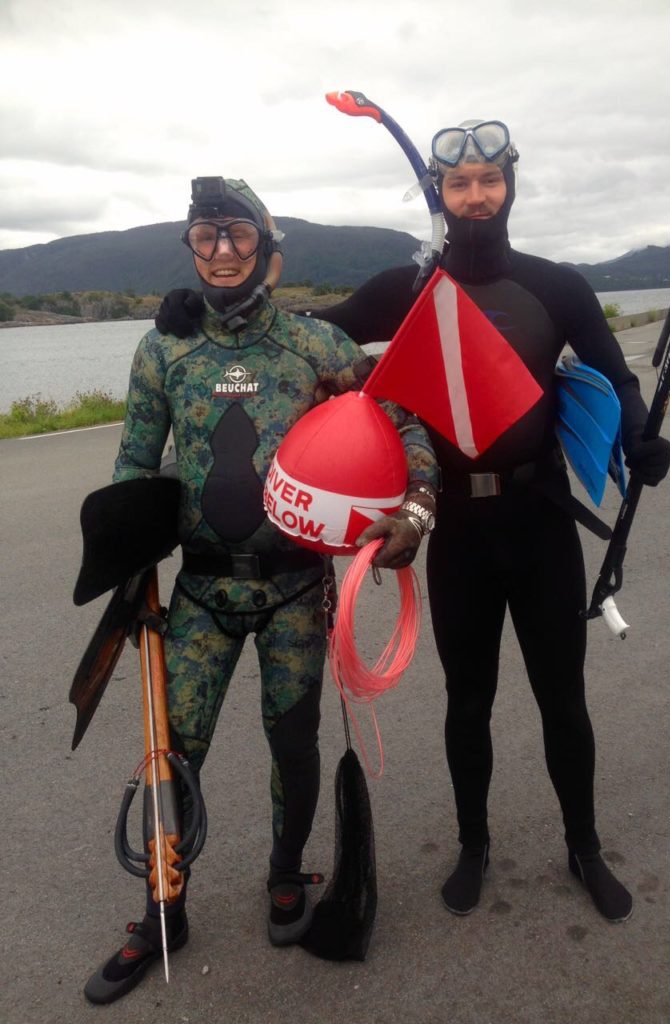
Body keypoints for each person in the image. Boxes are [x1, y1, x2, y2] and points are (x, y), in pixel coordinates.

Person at [156, 124, 670, 925]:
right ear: (439, 193)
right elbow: (292, 337)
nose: (475, 195)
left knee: (562, 698)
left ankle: (585, 846)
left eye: (488, 180)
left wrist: (638, 434)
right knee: (467, 699)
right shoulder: (409, 285)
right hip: (456, 527)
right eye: (458, 183)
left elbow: (613, 368)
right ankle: (473, 846)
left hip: (540, 521)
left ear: (510, 186)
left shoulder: (556, 285)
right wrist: (197, 313)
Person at [84, 176, 438, 1005]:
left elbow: (407, 420)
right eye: (205, 237)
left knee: (294, 744)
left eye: (237, 235)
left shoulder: (315, 347)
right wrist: (130, 566)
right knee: (177, 754)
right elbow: (135, 463)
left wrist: (414, 510)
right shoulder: (162, 350)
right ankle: (162, 908)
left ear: (268, 250)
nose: (221, 252)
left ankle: (287, 874)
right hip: (201, 595)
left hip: (293, 592)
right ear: (191, 248)